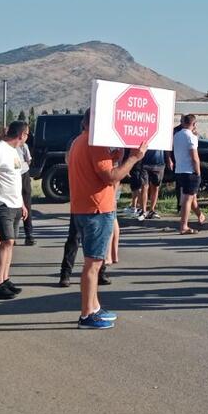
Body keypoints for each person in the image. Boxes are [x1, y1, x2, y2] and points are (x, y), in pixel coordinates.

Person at [67, 111, 146, 329]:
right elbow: (111, 176)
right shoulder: (95, 144)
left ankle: (94, 307)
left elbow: (101, 170)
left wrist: (119, 157)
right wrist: (134, 158)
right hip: (96, 209)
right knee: (93, 264)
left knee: (94, 262)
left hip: (84, 207)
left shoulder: (78, 141)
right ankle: (86, 314)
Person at [0, 122, 29, 300]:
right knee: (5, 242)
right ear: (21, 135)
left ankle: (5, 279)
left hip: (15, 203)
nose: (27, 138)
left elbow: (15, 179)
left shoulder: (14, 151)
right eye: (26, 134)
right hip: (1, 203)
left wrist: (22, 204)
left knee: (11, 243)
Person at [174, 115, 206, 234]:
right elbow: (194, 157)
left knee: (192, 197)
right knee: (188, 199)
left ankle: (200, 215)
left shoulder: (177, 135)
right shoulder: (191, 137)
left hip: (179, 170)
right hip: (189, 171)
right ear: (194, 124)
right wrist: (198, 172)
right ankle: (184, 226)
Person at [138, 147, 166, 220]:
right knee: (144, 186)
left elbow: (168, 146)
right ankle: (143, 211)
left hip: (159, 163)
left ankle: (152, 210)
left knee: (156, 187)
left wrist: (169, 159)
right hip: (145, 162)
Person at [17, 135, 35, 246]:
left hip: (23, 174)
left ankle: (29, 235)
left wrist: (22, 167)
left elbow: (28, 160)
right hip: (13, 175)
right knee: (13, 206)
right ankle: (11, 236)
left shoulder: (23, 146)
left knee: (27, 205)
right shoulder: (6, 146)